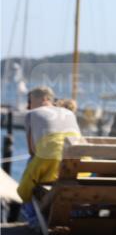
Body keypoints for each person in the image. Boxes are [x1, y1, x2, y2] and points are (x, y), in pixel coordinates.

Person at [17, 86, 82, 223]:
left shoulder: (32, 114)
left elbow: (32, 150)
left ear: (44, 99)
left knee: (24, 189)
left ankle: (35, 220)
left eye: (30, 101)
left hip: (51, 163)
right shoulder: (69, 113)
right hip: (79, 164)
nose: (28, 106)